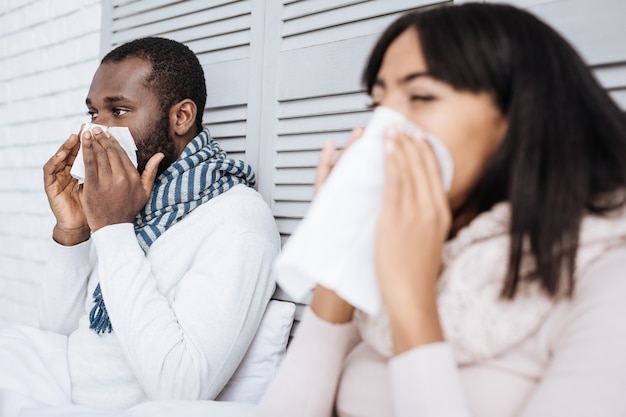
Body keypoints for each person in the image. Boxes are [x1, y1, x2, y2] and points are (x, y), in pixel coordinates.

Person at [256, 3, 626, 417]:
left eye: (420, 96)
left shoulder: (607, 275)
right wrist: (343, 256)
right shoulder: (404, 247)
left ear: (519, 113)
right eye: (379, 106)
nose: (387, 128)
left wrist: (412, 305)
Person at [38, 37, 280, 408]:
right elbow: (59, 335)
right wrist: (74, 232)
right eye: (93, 114)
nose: (95, 132)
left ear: (181, 117)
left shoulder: (237, 221)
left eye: (118, 111)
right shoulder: (130, 202)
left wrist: (114, 229)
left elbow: (182, 390)